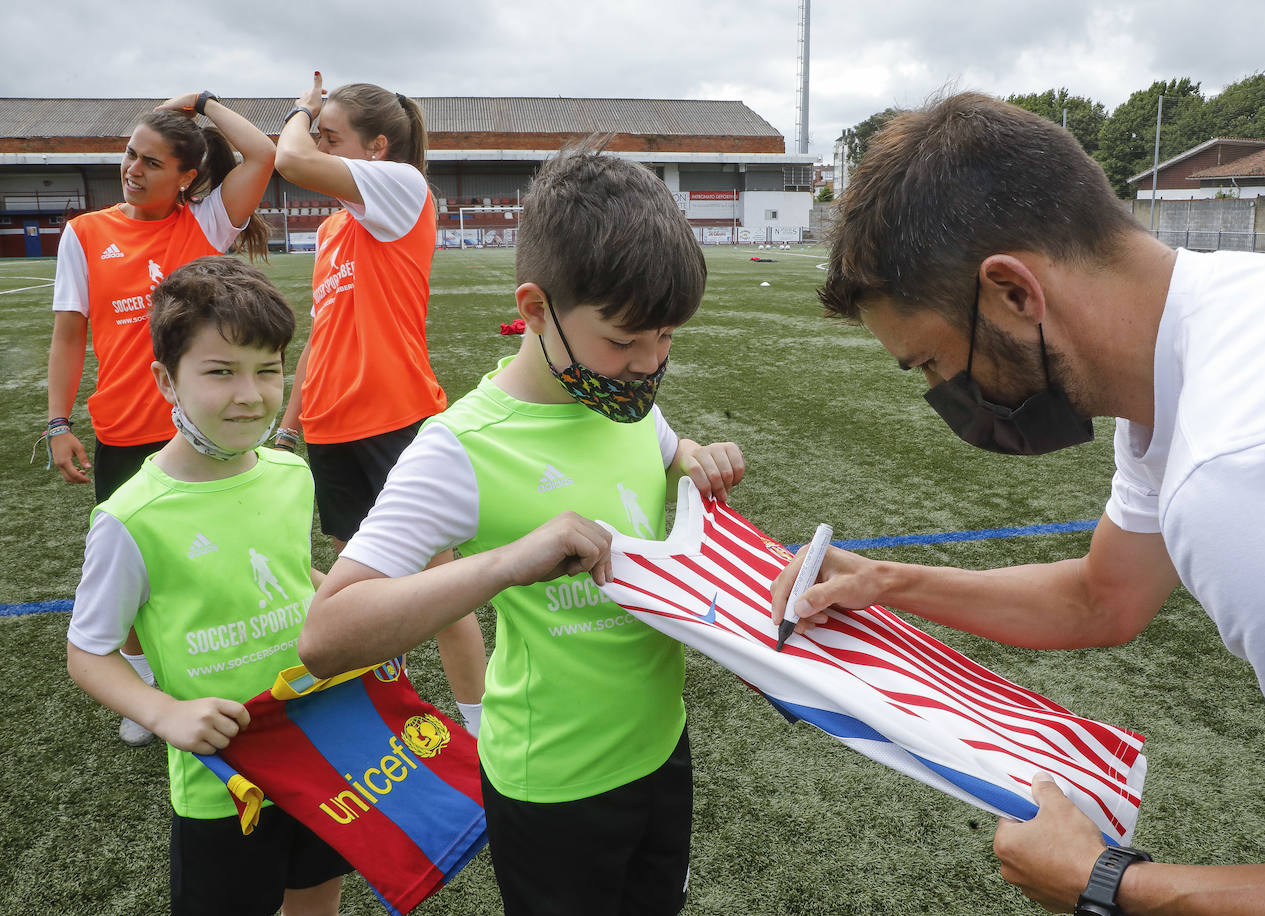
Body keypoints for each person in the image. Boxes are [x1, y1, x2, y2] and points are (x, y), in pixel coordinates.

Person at [771, 92, 1265, 915]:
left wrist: (1112, 886)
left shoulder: (1247, 469)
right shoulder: (1213, 335)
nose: (945, 395)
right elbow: (1103, 597)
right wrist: (885, 582)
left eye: (931, 364)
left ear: (1014, 292)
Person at [298, 146, 746, 916]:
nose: (647, 366)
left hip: (663, 750)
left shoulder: (625, 400)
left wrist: (697, 458)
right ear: (535, 309)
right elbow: (327, 633)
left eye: (667, 338)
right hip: (554, 788)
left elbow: (664, 449)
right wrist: (505, 563)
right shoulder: (459, 447)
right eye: (624, 342)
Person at [65, 256, 352, 916]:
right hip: (223, 784)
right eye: (221, 371)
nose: (249, 394)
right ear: (167, 379)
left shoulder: (288, 475)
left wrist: (345, 614)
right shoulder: (132, 517)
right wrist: (166, 715)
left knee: (317, 899)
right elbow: (88, 652)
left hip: (319, 751)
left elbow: (290, 574)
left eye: (268, 369)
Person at [45, 90, 275, 746]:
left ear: (188, 178)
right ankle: (144, 687)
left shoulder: (206, 225)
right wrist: (58, 423)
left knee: (222, 557)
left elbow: (262, 151)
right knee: (128, 572)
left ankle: (236, 664)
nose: (132, 168)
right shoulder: (84, 234)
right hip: (123, 429)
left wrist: (202, 100)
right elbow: (68, 335)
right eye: (129, 154)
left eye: (151, 161)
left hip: (201, 434)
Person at [273, 72, 486, 733]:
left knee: (442, 594)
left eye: (332, 136)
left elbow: (287, 158)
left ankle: (484, 731)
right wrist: (289, 425)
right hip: (331, 429)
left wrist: (300, 111)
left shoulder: (402, 187)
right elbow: (323, 330)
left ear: (378, 148)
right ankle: (386, 718)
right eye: (318, 131)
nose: (318, 143)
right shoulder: (335, 229)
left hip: (395, 420)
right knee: (361, 600)